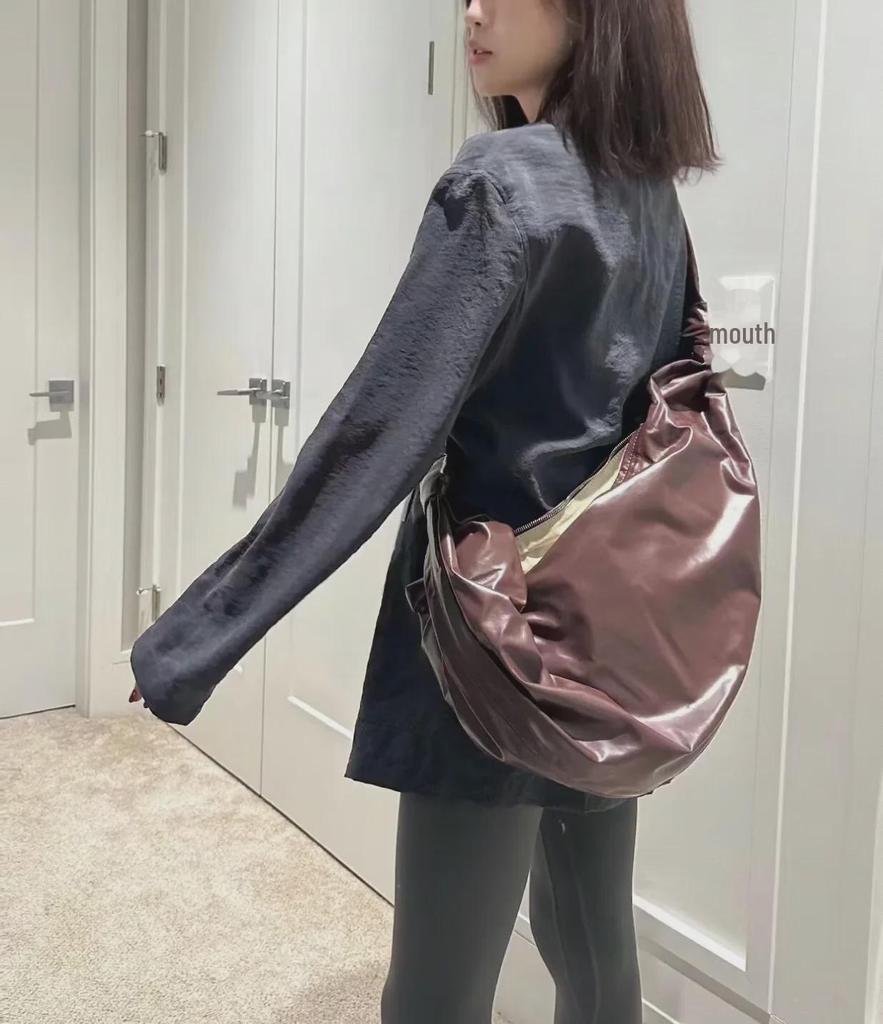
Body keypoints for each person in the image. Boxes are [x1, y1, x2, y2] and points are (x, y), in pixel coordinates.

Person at [129, 0, 720, 1020]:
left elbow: (379, 428)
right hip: (604, 634)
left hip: (488, 632)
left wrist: (196, 635)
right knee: (592, 946)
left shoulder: (501, 180)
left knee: (436, 991)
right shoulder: (649, 197)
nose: (472, 10)